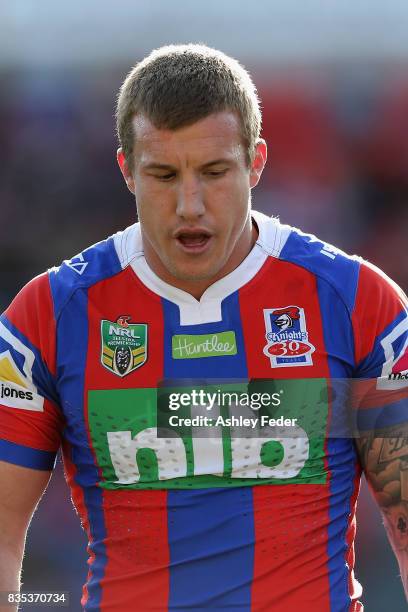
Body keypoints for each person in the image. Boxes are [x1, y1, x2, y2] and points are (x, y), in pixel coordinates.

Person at [0, 43, 407, 612]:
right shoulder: (47, 314)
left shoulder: (358, 302)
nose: (190, 204)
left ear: (256, 162)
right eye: (163, 175)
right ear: (126, 170)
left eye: (215, 172)